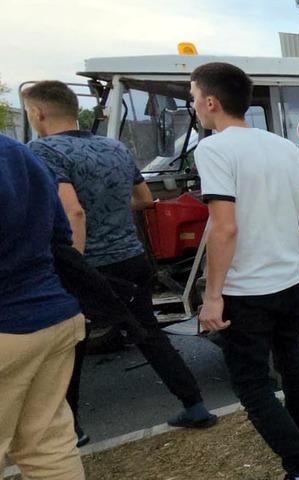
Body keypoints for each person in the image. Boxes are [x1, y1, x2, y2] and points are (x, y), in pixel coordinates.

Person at [22, 81, 216, 444]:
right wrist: (109, 210)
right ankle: (195, 406)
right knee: (149, 334)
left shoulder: (42, 151)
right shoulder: (114, 147)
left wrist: (75, 266)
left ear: (37, 113)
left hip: (88, 264)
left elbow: (73, 212)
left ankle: (71, 430)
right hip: (131, 258)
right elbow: (143, 199)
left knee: (70, 347)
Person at [191, 62, 299, 480]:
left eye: (194, 98)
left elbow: (224, 227)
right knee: (292, 363)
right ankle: (297, 442)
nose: (195, 106)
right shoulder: (284, 147)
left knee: (252, 385)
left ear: (211, 102)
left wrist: (212, 296)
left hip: (246, 291)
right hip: (288, 282)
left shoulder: (213, 149)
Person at [0, 134, 86, 480]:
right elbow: (60, 234)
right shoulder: (17, 153)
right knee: (47, 446)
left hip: (8, 323)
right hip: (50, 313)